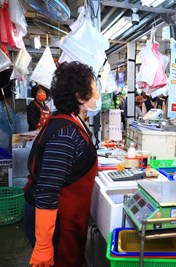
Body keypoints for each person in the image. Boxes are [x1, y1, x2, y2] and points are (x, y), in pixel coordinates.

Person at [23, 61, 100, 267]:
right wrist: (44, 246)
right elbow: (48, 191)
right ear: (79, 96)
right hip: (54, 223)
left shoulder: (71, 120)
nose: (98, 96)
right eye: (94, 89)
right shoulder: (65, 134)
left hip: (67, 219)